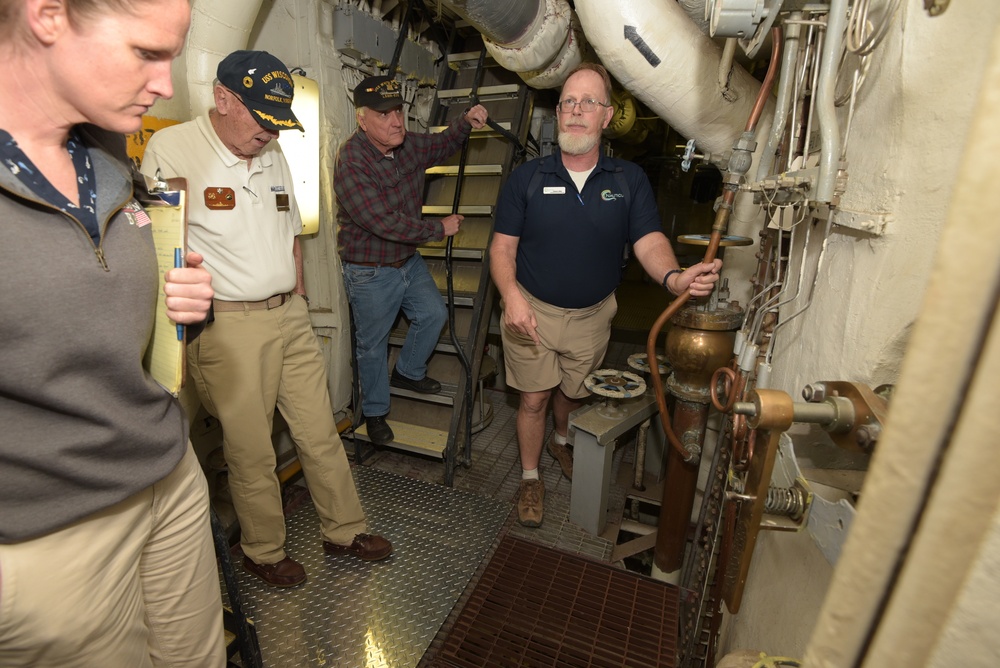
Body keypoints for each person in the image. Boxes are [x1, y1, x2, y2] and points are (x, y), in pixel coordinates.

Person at [0, 0, 226, 665]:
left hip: (166, 473)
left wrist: (180, 305)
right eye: (146, 54)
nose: (165, 84)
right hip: (52, 530)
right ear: (47, 16)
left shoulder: (104, 147)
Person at [141, 50, 392, 589]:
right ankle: (262, 550)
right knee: (250, 448)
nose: (269, 134)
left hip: (289, 316)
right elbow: (158, 248)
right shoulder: (173, 149)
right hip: (228, 328)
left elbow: (291, 232)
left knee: (319, 431)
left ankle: (343, 530)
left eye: (278, 123)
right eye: (261, 119)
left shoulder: (272, 148)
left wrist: (295, 293)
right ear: (223, 99)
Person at [490, 62, 723, 527]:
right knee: (533, 398)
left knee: (572, 395)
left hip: (594, 316)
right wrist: (511, 297)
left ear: (606, 116)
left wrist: (674, 278)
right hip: (530, 311)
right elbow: (502, 248)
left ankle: (561, 441)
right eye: (568, 103)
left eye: (588, 103)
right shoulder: (528, 178)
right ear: (558, 114)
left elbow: (649, 241)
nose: (577, 111)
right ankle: (531, 476)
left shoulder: (628, 180)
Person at [335, 75, 489, 446]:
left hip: (406, 261)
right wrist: (438, 229)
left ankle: (407, 370)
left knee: (434, 314)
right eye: (384, 114)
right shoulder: (352, 160)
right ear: (362, 119)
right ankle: (374, 412)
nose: (396, 121)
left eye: (398, 112)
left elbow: (440, 145)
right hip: (370, 272)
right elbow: (382, 222)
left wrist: (465, 121)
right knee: (371, 347)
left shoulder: (405, 145)